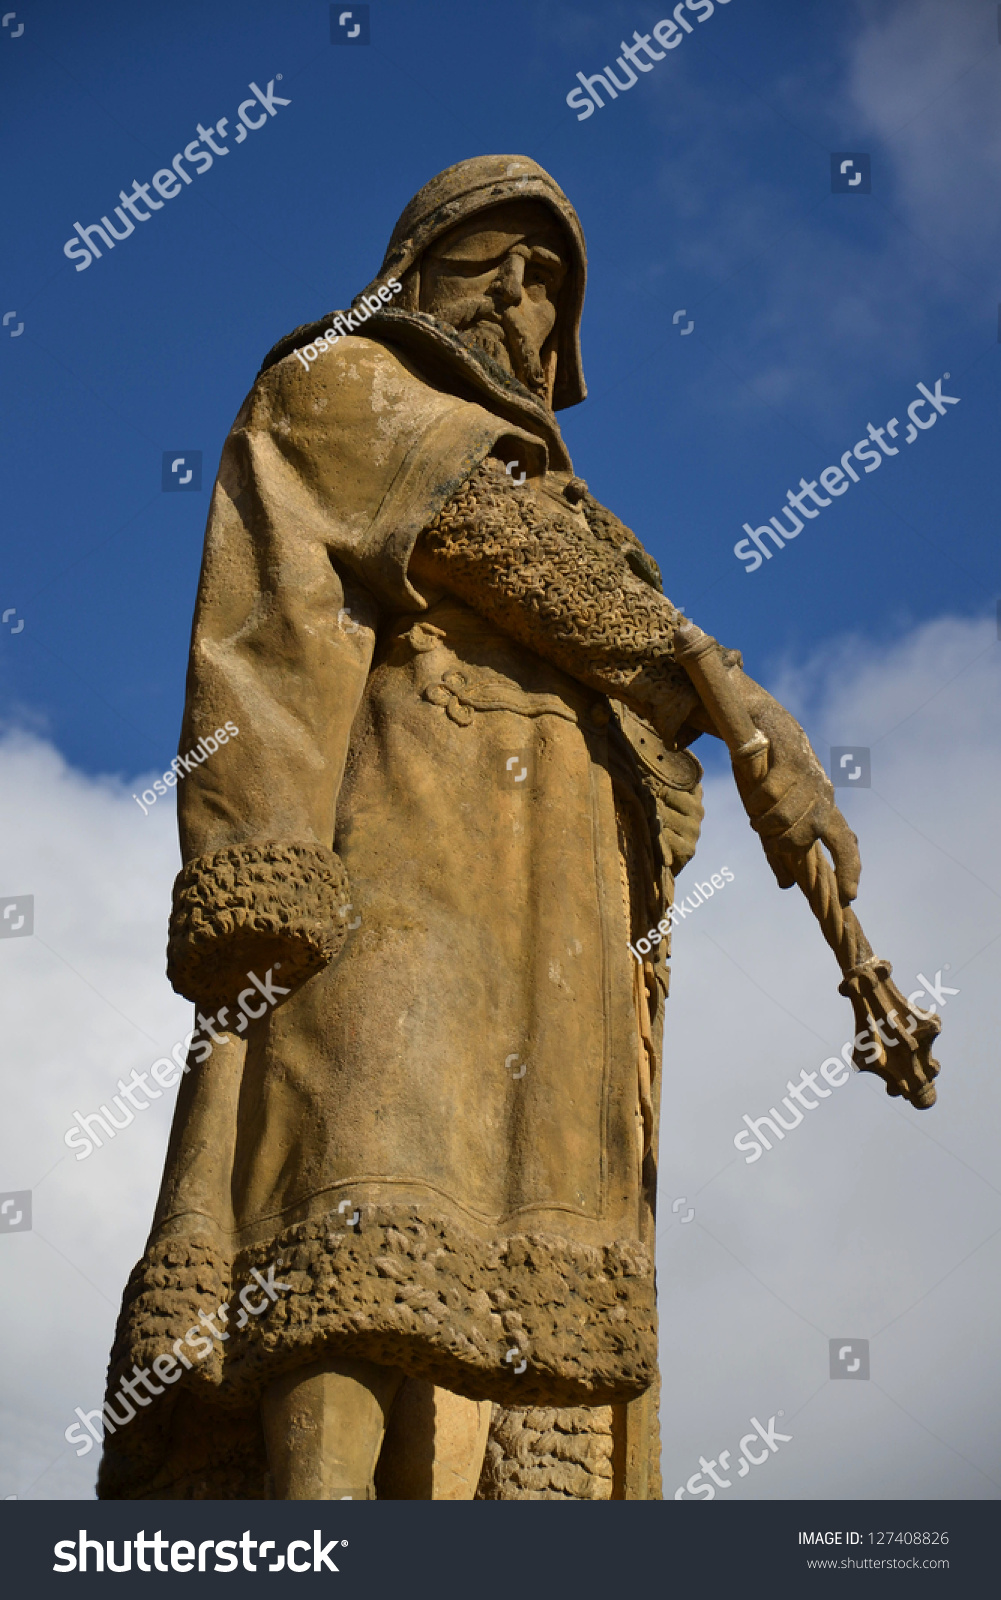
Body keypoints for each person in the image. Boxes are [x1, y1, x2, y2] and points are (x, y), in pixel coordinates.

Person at [99, 155, 858, 1501]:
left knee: (503, 1280)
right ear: (414, 270)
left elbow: (593, 630)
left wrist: (716, 721)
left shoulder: (591, 532)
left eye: (549, 275)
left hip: (533, 943)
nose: (520, 290)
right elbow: (503, 549)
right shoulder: (345, 384)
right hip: (384, 869)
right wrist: (737, 707)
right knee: (355, 1205)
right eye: (489, 255)